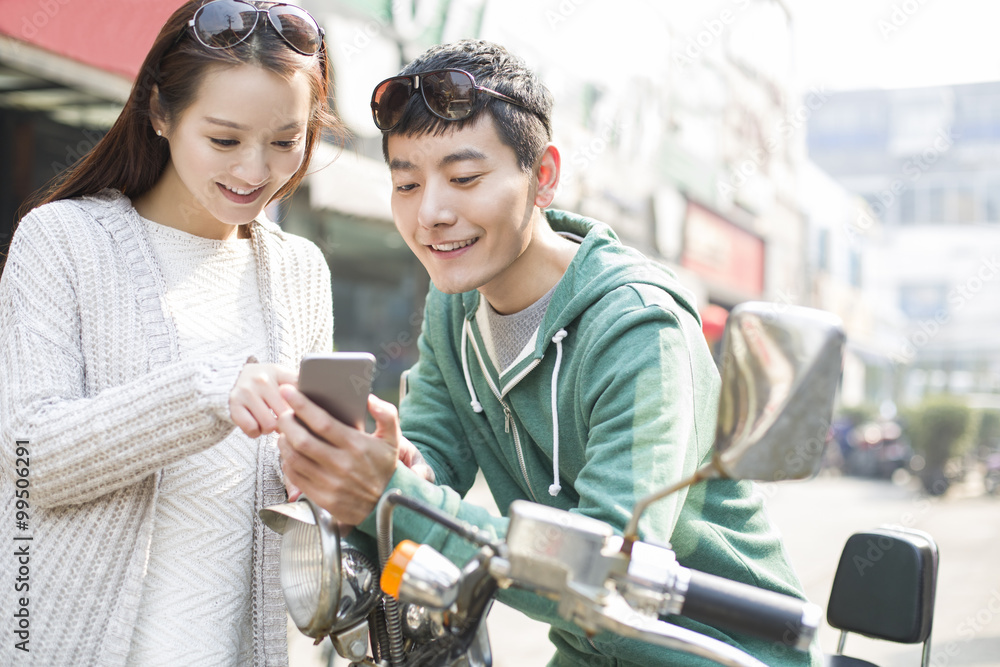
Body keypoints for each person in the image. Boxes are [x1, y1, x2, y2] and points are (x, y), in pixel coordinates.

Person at [276, 39, 820, 666]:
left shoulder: (640, 330)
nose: (430, 213)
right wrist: (363, 461)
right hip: (587, 652)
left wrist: (388, 495)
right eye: (406, 183)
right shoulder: (455, 308)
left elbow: (612, 567)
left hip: (713, 651)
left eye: (464, 179)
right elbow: (428, 457)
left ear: (544, 177)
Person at [0, 1, 338, 664]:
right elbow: (25, 456)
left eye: (284, 141)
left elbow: (301, 498)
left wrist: (350, 464)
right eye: (224, 139)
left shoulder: (301, 270)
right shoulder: (62, 239)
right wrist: (207, 392)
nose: (254, 171)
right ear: (159, 112)